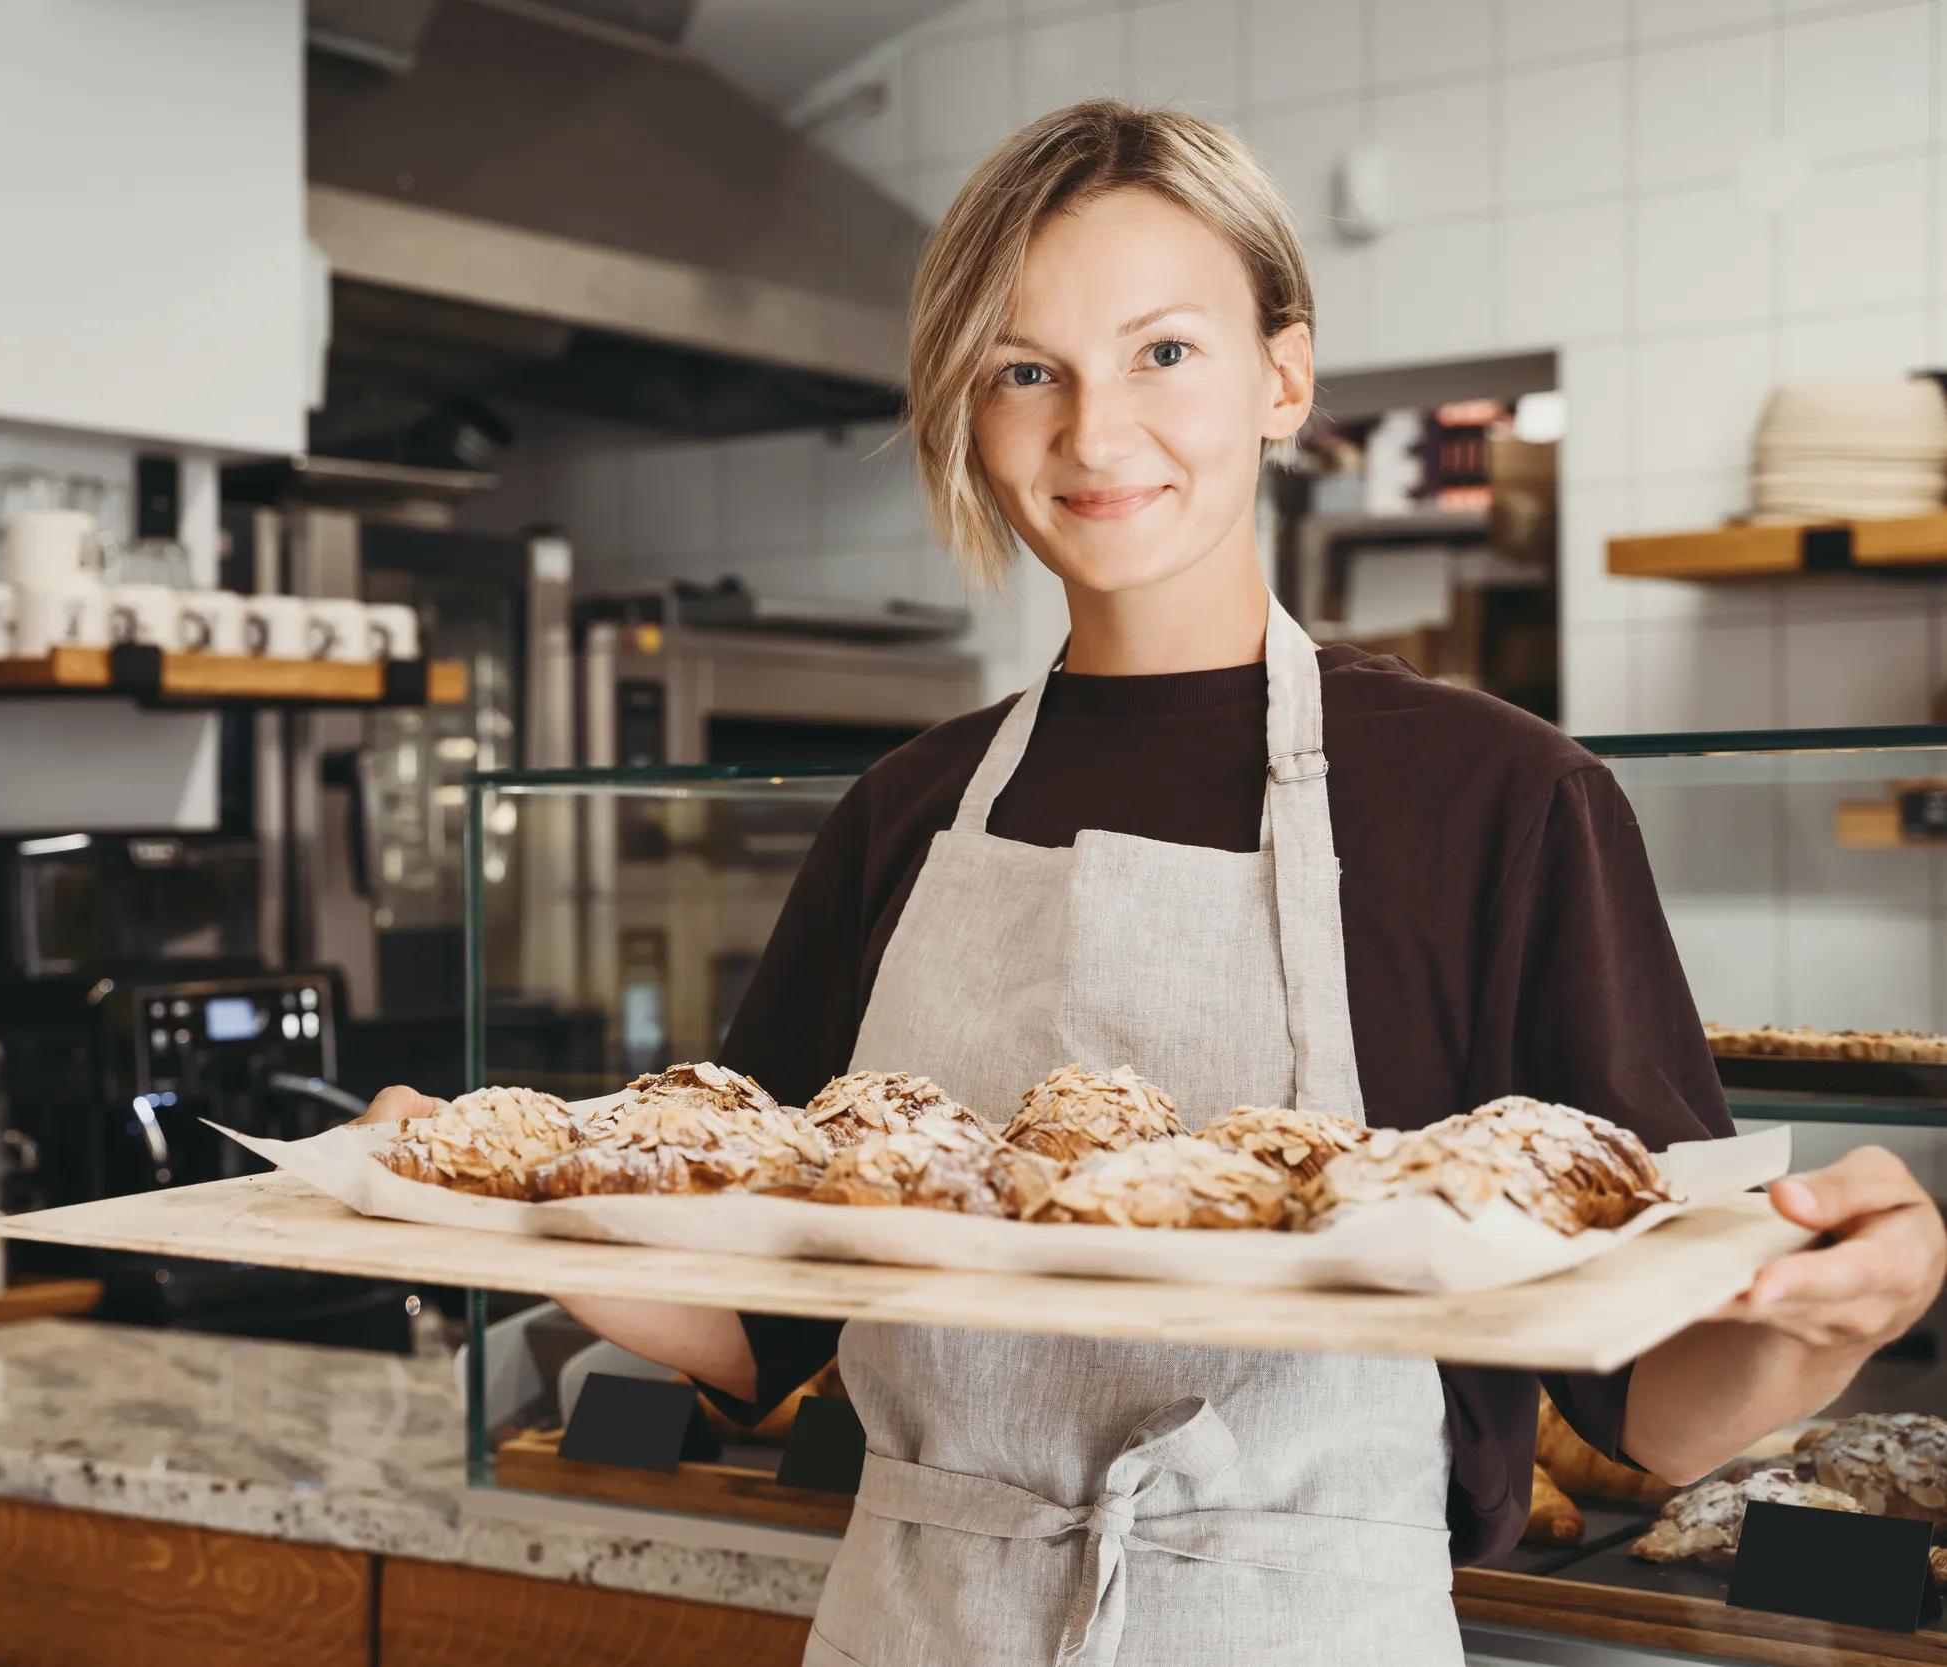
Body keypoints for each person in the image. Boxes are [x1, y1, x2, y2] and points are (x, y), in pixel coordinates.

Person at [363, 102, 1947, 1664]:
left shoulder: (1508, 802)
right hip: (923, 1626)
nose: (1094, 433)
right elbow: (758, 1323)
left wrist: (1844, 1310)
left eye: (1163, 353)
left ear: (1285, 373)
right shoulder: (904, 813)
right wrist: (476, 1200)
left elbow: (1653, 1408)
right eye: (1023, 371)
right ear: (967, 415)